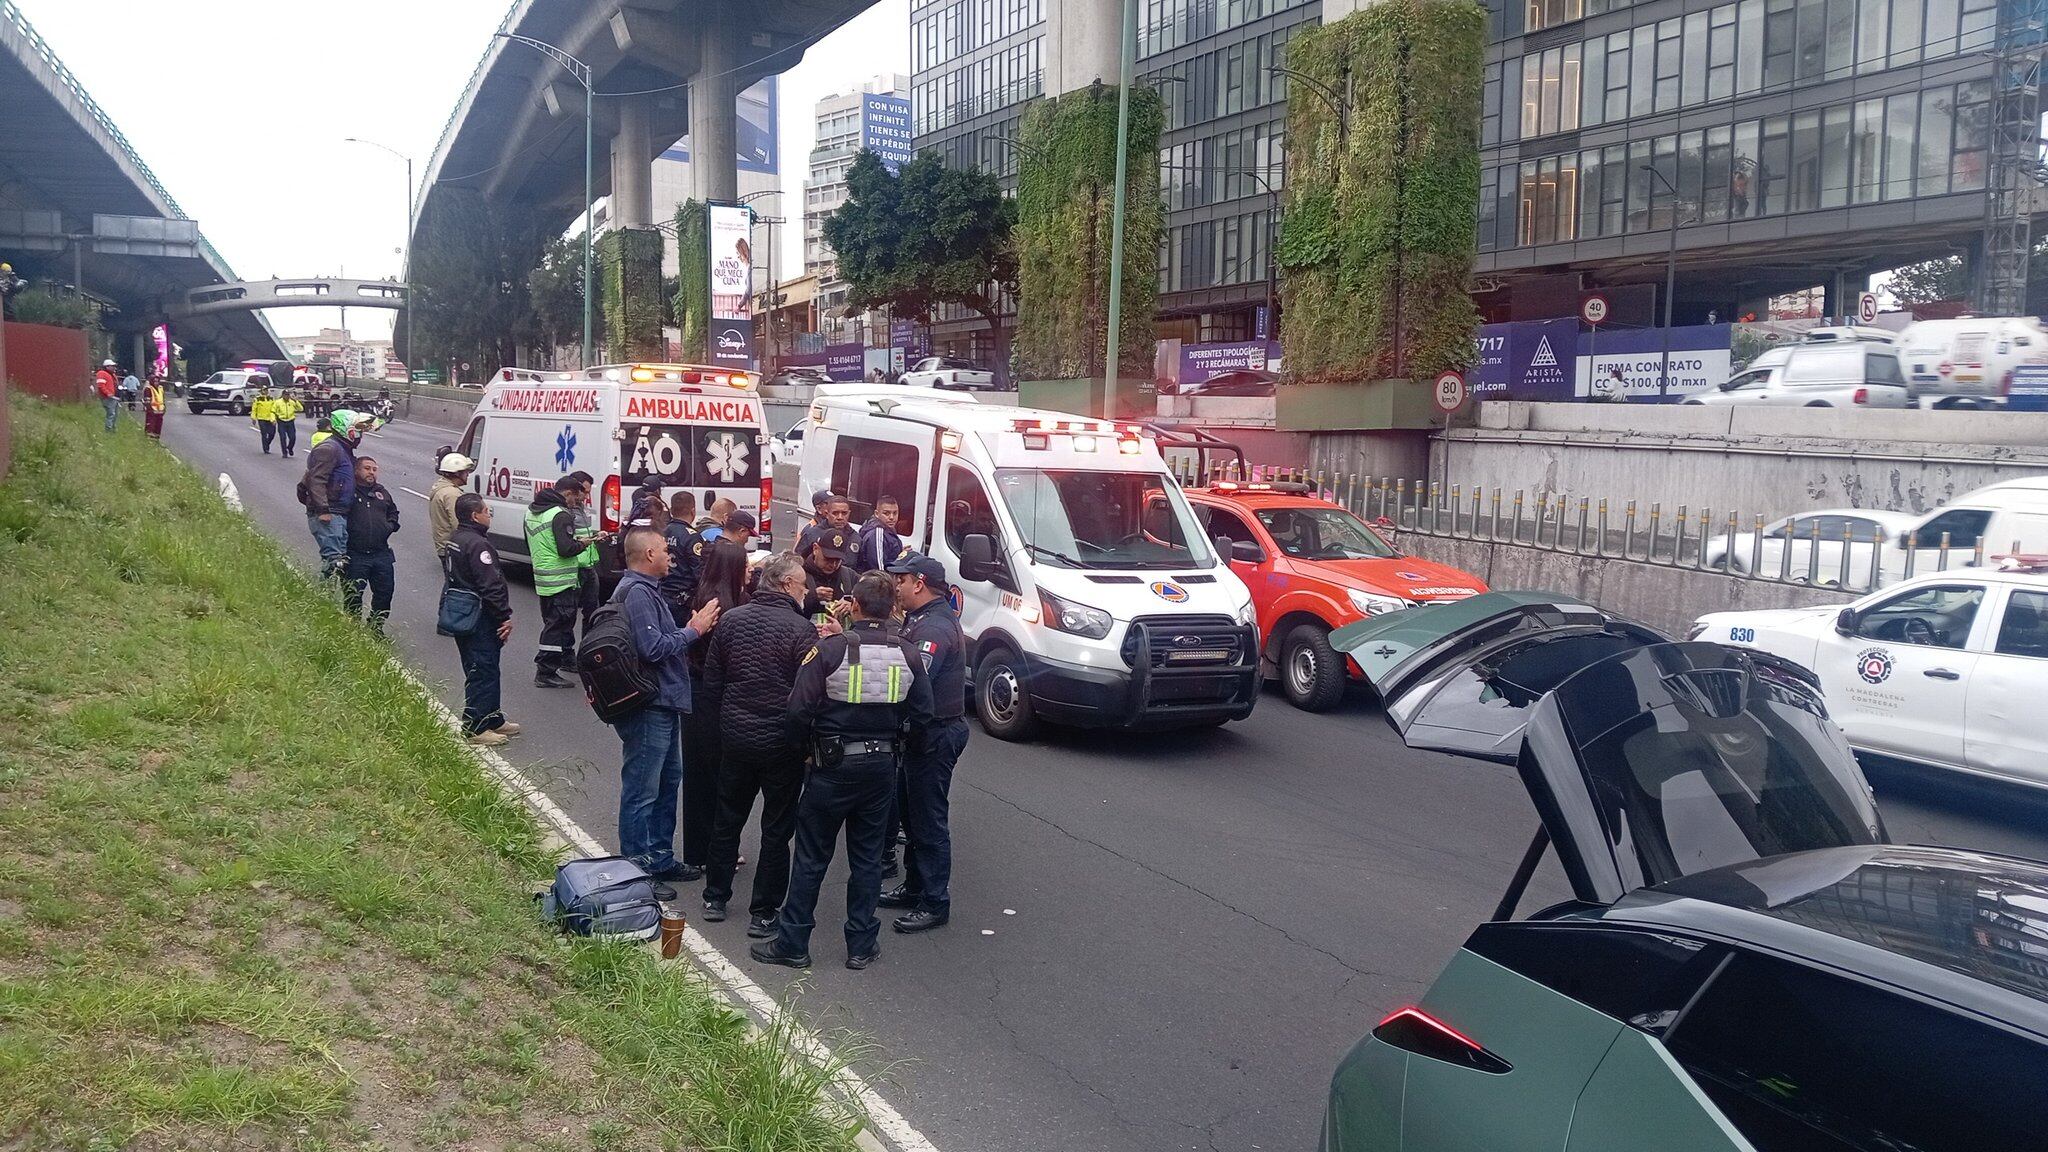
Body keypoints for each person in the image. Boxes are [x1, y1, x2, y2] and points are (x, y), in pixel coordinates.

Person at [752, 572, 934, 971]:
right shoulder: (908, 653)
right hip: (881, 767)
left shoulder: (831, 650)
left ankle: (793, 943)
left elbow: (797, 710)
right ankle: (861, 945)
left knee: (812, 857)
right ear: (892, 610)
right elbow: (923, 714)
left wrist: (804, 752)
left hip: (831, 767)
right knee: (868, 859)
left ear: (854, 607)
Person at [699, 552, 819, 935]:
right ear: (786, 584)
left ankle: (715, 896)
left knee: (727, 817)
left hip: (735, 735)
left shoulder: (732, 621)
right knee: (777, 828)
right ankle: (763, 911)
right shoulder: (802, 631)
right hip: (780, 742)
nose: (806, 591)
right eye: (802, 584)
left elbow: (713, 682)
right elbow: (806, 695)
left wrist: (725, 725)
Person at [611, 526, 722, 899]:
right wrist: (694, 630)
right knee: (643, 788)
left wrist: (686, 627)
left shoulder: (647, 592)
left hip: (665, 701)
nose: (670, 556)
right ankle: (635, 867)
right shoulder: (638, 594)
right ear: (647, 556)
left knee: (667, 781)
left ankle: (659, 856)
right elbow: (653, 648)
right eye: (663, 551)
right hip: (649, 705)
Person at [877, 553, 970, 933]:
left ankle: (934, 901)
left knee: (928, 821)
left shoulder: (933, 629)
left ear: (918, 582)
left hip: (934, 734)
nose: (895, 586)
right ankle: (914, 887)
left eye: (900, 580)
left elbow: (914, 684)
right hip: (920, 734)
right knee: (912, 814)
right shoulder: (920, 620)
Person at [680, 513, 754, 874]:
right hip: (717, 696)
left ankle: (699, 850)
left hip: (695, 694)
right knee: (721, 778)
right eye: (746, 566)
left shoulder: (703, 595)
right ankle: (716, 849)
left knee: (699, 776)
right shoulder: (728, 608)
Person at [445, 494, 521, 746]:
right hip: (480, 616)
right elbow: (490, 585)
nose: (489, 514)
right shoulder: (478, 545)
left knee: (485, 666)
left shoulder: (456, 539)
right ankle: (475, 726)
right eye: (486, 510)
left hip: (463, 612)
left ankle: (493, 717)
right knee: (482, 668)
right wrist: (504, 616)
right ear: (474, 515)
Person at [525, 475, 600, 689]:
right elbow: (565, 549)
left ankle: (552, 665)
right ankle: (546, 671)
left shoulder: (533, 511)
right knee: (557, 626)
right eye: (575, 499)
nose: (575, 503)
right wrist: (583, 543)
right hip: (561, 579)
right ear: (568, 493)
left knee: (552, 623)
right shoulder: (560, 514)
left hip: (543, 577)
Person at [301, 410, 368, 583]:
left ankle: (324, 597)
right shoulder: (330, 449)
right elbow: (316, 480)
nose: (360, 433)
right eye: (357, 428)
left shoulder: (344, 449)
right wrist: (322, 509)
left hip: (339, 511)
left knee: (339, 559)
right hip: (329, 513)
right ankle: (320, 596)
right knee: (334, 562)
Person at [343, 456, 401, 637]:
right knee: (353, 595)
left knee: (385, 593)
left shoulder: (381, 493)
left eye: (374, 469)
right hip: (355, 553)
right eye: (367, 468)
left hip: (380, 553)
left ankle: (376, 627)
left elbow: (393, 512)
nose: (371, 473)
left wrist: (390, 526)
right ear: (356, 470)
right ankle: (352, 630)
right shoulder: (348, 491)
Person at [801, 527, 858, 617]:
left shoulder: (849, 576)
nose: (833, 565)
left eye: (838, 560)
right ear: (815, 549)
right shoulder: (799, 575)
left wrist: (852, 604)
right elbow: (786, 606)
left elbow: (870, 600)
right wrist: (812, 596)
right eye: (828, 559)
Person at [429, 453, 476, 555]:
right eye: (465, 471)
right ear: (457, 473)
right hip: (453, 547)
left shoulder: (441, 487)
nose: (468, 474)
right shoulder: (452, 494)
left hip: (444, 545)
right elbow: (458, 523)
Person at [661, 491, 700, 615]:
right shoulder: (692, 537)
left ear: (671, 510)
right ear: (693, 511)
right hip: (682, 599)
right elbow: (699, 571)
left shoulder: (661, 532)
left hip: (661, 593)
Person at [853, 495, 906, 573]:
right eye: (886, 513)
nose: (891, 517)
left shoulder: (888, 529)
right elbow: (878, 569)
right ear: (876, 514)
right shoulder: (877, 533)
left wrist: (901, 552)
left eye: (895, 513)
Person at [274, 390, 303, 457]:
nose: (287, 396)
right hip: (281, 421)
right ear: (283, 395)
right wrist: (273, 420)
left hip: (290, 421)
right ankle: (284, 452)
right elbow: (273, 411)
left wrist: (296, 401)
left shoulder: (292, 402)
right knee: (283, 437)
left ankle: (290, 448)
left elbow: (301, 409)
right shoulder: (278, 402)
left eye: (288, 395)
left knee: (293, 437)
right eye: (286, 395)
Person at [252, 389, 278, 455]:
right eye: (263, 390)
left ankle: (267, 443)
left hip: (270, 418)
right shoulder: (257, 399)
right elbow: (254, 409)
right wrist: (253, 418)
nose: (265, 392)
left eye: (266, 390)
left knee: (272, 433)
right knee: (264, 434)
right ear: (261, 391)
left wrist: (276, 417)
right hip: (261, 418)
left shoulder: (271, 398)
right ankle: (265, 449)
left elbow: (275, 408)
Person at [95, 360, 119, 432]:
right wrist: (107, 393)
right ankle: (108, 430)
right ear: (107, 366)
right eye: (112, 366)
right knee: (111, 414)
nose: (114, 367)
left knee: (115, 414)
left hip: (113, 397)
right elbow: (101, 386)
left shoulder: (112, 375)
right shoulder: (101, 373)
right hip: (107, 397)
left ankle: (113, 429)